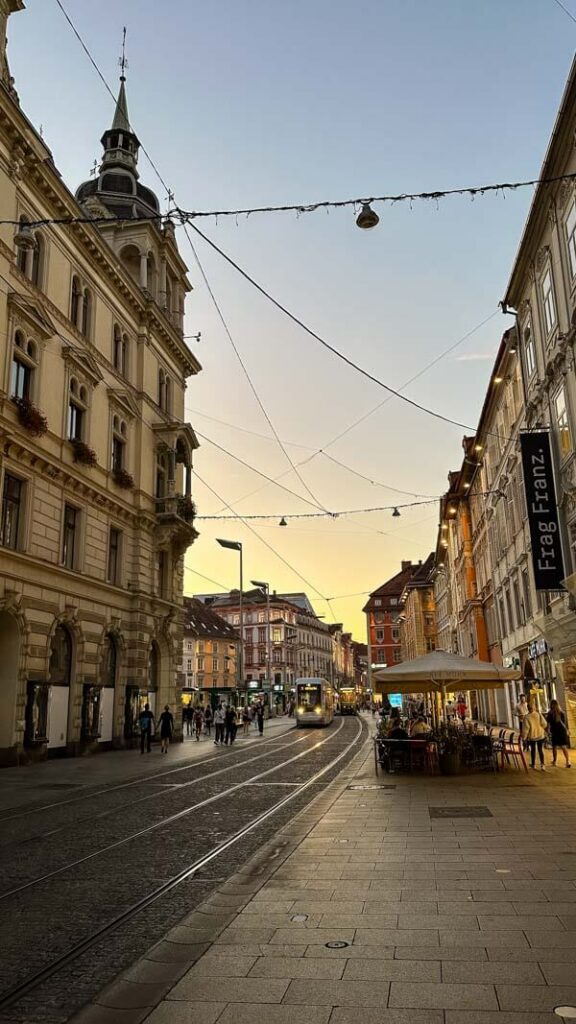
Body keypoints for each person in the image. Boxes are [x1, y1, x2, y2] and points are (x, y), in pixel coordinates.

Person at [546, 699, 572, 768]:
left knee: (554, 747)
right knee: (563, 746)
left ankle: (554, 762)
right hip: (562, 731)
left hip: (555, 732)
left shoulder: (550, 713)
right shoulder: (561, 712)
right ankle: (567, 761)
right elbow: (564, 723)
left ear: (551, 705)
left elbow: (548, 724)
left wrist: (548, 731)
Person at [523, 702, 548, 770]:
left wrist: (524, 738)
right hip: (540, 735)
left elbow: (526, 729)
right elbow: (544, 724)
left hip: (532, 736)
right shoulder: (538, 714)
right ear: (534, 707)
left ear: (527, 708)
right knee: (540, 749)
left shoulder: (526, 717)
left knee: (533, 750)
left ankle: (533, 764)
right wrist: (541, 728)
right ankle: (542, 765)